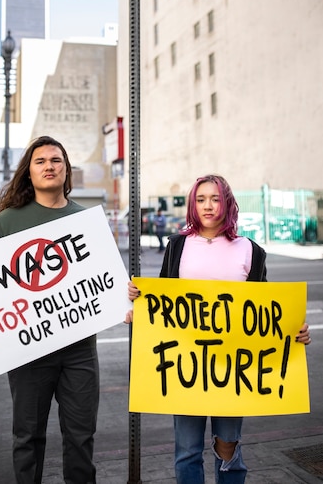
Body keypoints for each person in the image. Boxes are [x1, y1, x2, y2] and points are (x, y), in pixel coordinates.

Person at [127, 173, 311, 484]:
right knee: (187, 450)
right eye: (201, 199)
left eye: (215, 198)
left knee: (229, 447)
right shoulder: (177, 246)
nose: (208, 206)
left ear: (227, 203)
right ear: (192, 205)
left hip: (232, 369)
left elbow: (265, 313)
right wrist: (139, 304)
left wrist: (294, 330)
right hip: (184, 367)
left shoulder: (249, 250)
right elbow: (162, 302)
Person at [0, 135, 99, 484]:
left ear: (66, 170)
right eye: (40, 161)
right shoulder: (7, 222)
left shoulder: (86, 221)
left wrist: (126, 296)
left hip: (79, 351)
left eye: (56, 160)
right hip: (28, 351)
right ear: (28, 172)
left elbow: (103, 279)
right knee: (28, 438)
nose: (49, 167)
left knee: (81, 438)